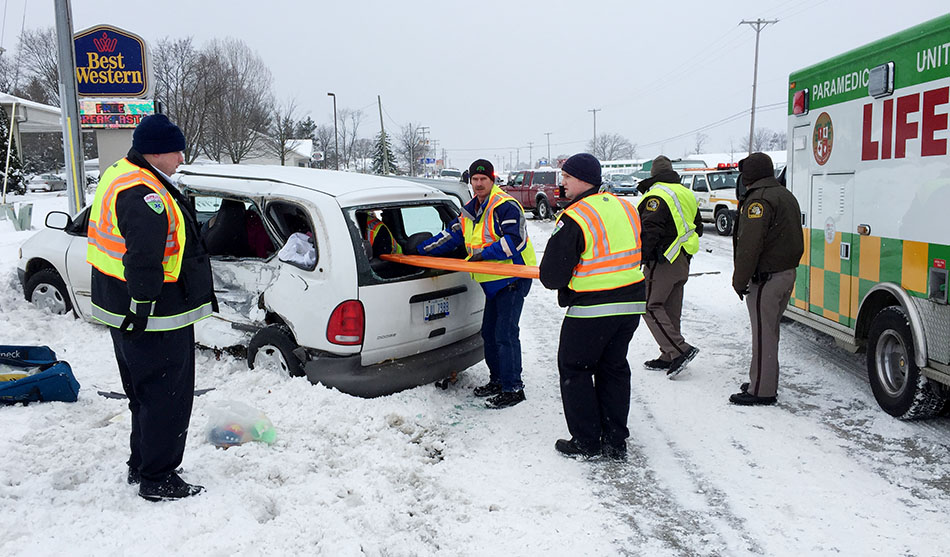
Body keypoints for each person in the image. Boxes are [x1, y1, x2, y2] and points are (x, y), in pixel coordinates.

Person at [87, 114, 216, 501]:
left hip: (122, 307)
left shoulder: (121, 173)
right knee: (167, 396)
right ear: (156, 152)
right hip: (154, 316)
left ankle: (141, 463)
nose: (181, 158)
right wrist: (142, 307)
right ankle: (158, 478)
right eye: (176, 150)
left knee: (143, 392)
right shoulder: (145, 195)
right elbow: (144, 258)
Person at [539, 153, 646, 459]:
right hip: (630, 304)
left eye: (567, 177)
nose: (563, 183)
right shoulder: (626, 207)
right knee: (614, 368)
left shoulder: (576, 216)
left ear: (583, 179)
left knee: (576, 368)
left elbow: (551, 275)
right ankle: (615, 440)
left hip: (592, 309)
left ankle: (586, 440)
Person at [416, 159, 536, 409]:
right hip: (491, 283)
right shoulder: (471, 210)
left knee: (505, 334)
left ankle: (513, 388)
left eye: (483, 179)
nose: (479, 183)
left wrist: (485, 254)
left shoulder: (505, 206)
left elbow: (516, 241)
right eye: (474, 179)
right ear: (470, 183)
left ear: (492, 180)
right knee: (489, 334)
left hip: (513, 278)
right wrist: (418, 252)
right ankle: (498, 380)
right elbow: (451, 235)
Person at [730, 152, 803, 405]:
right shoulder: (784, 194)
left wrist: (739, 281)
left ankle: (761, 390)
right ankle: (763, 379)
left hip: (767, 279)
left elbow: (750, 246)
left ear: (749, 176)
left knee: (763, 334)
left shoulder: (758, 201)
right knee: (769, 333)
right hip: (786, 274)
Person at [636, 155, 702, 378]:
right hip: (682, 259)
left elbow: (650, 230)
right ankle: (669, 355)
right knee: (671, 309)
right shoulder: (685, 193)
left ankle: (681, 350)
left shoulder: (656, 195)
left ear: (653, 174)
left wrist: (641, 257)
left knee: (648, 305)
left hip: (663, 260)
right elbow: (698, 226)